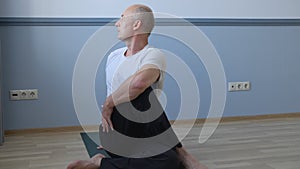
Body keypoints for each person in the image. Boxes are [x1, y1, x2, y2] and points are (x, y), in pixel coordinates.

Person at [67, 4, 208, 169]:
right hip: (115, 129)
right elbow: (130, 87)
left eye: (121, 18)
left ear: (136, 24)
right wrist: (109, 112)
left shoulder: (153, 55)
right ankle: (181, 152)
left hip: (145, 131)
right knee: (141, 93)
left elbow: (138, 83)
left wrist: (108, 103)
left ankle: (100, 162)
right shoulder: (113, 56)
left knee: (168, 161)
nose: (116, 24)